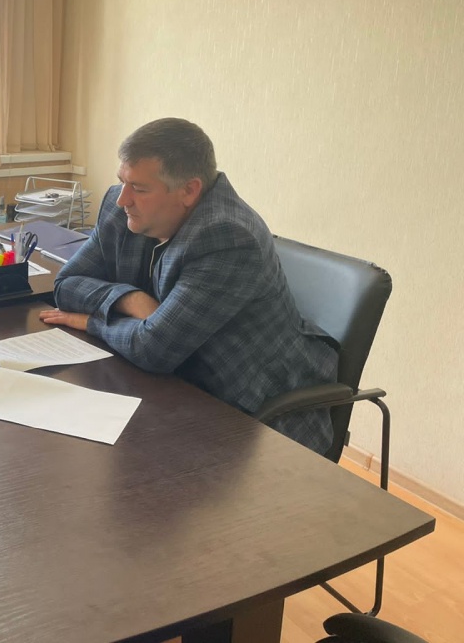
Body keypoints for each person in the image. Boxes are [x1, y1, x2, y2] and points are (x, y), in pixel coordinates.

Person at [39, 118, 338, 454]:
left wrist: (91, 321)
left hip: (251, 416)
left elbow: (155, 348)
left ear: (189, 190)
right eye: (122, 181)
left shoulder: (226, 237)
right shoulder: (122, 208)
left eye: (139, 188)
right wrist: (130, 299)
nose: (123, 199)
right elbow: (66, 284)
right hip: (171, 387)